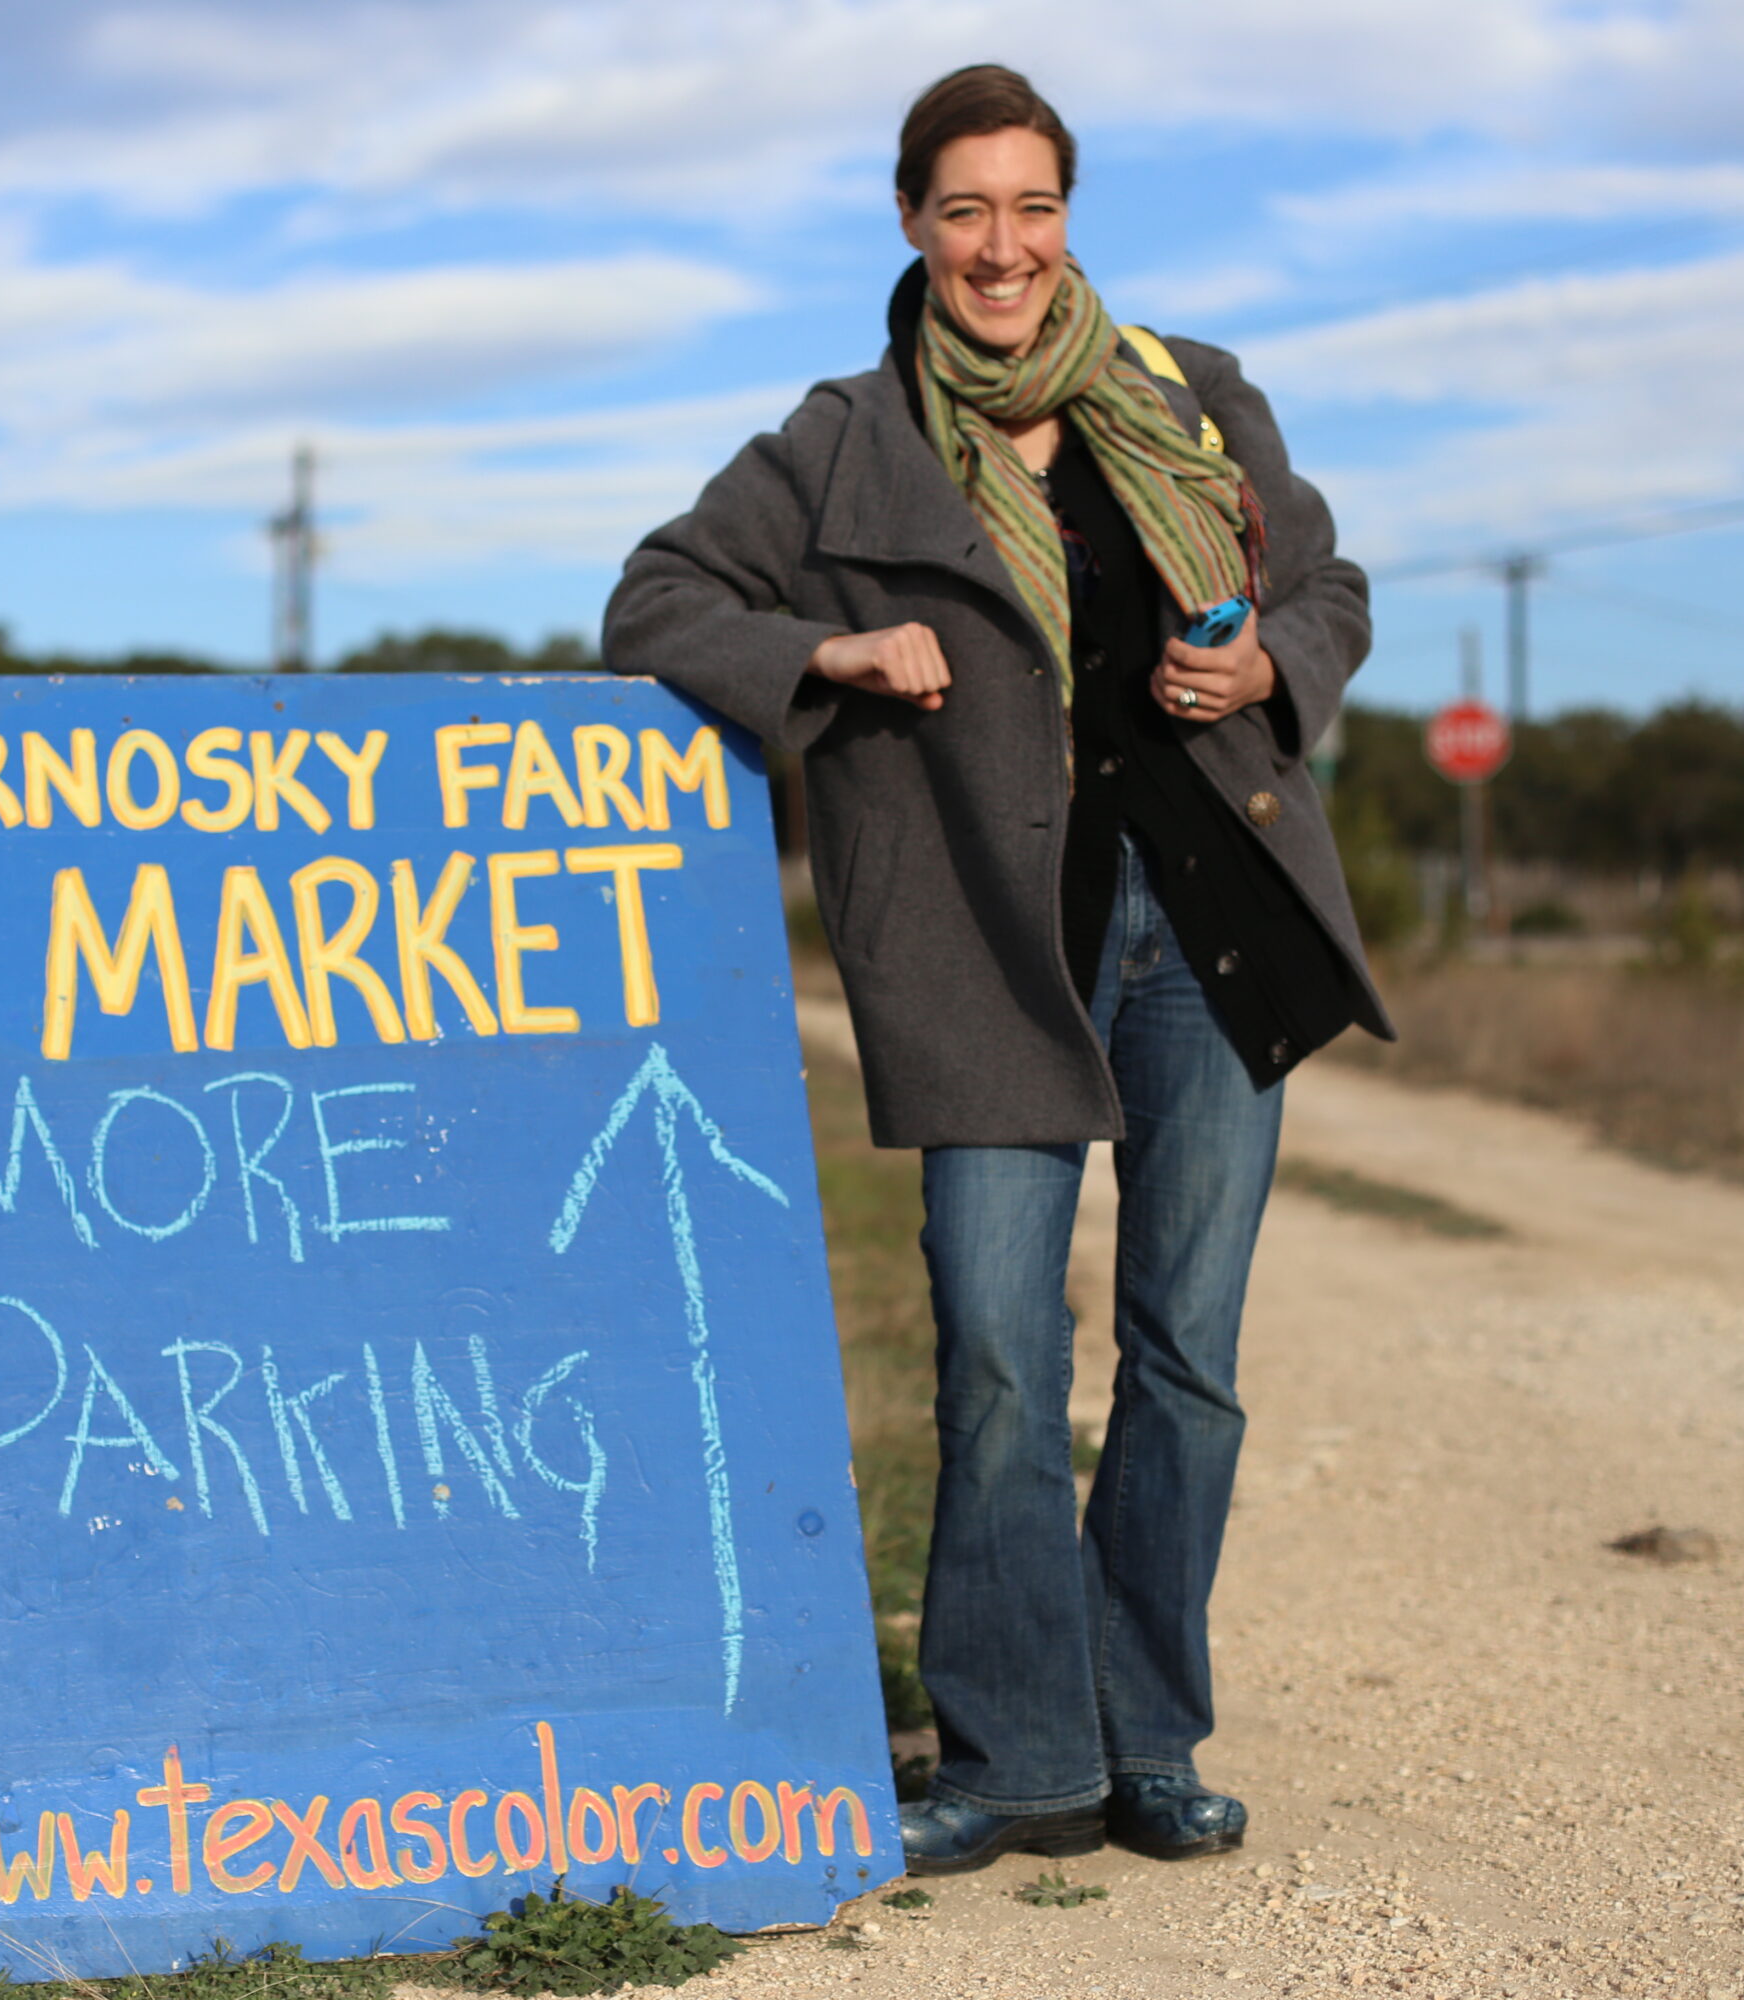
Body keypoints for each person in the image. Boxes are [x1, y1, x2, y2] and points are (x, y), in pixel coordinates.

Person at [602, 64, 1390, 1875]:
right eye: (965, 210)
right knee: (999, 1357)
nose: (1003, 247)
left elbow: (1332, 587)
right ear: (909, 224)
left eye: (1033, 208)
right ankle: (1015, 1751)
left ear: (1069, 216)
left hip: (1209, 926)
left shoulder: (1193, 396)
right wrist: (838, 652)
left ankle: (1147, 1739)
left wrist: (1265, 662)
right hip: (983, 953)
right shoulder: (844, 439)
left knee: (1186, 1352)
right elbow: (657, 601)